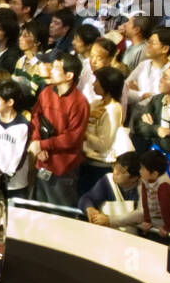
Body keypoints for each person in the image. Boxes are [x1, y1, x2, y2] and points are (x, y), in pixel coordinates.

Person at [28, 53, 90, 208]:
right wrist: (37, 142)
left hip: (64, 168)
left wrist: (43, 145)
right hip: (42, 162)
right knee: (38, 210)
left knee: (60, 213)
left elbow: (72, 138)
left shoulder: (80, 102)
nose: (51, 71)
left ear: (69, 75)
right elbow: (35, 117)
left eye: (56, 68)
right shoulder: (46, 92)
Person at [80, 66, 128, 196]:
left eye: (97, 81)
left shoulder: (114, 109)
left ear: (107, 85)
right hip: (86, 160)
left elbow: (104, 144)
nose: (93, 84)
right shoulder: (95, 103)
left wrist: (84, 135)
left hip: (101, 165)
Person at [0, 78, 31, 196]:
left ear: (10, 102)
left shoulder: (22, 125)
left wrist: (8, 173)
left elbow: (20, 153)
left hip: (16, 183)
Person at [81, 151, 141, 230]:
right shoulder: (107, 181)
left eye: (122, 171)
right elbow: (86, 198)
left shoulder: (143, 189)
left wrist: (109, 220)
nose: (115, 172)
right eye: (115, 167)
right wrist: (90, 209)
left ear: (134, 178)